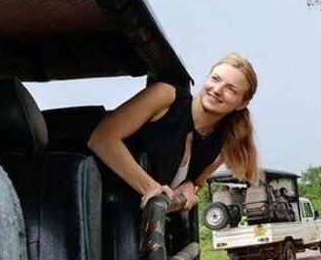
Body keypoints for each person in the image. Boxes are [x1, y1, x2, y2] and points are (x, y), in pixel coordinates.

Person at [88, 53, 260, 210]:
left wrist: (189, 185)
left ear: (241, 104)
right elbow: (102, 138)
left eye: (231, 89)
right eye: (215, 79)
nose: (217, 90)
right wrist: (149, 186)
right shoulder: (165, 96)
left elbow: (198, 181)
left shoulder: (223, 144)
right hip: (100, 203)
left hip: (146, 221)